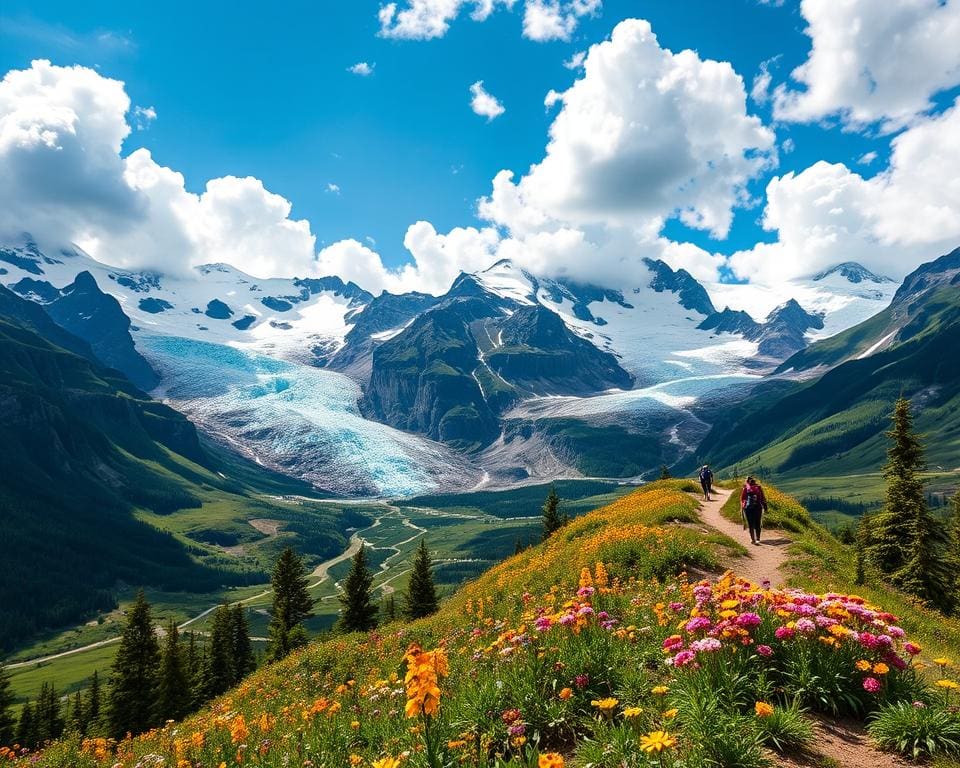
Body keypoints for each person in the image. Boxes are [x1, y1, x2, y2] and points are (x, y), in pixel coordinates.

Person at [740, 476, 768, 545]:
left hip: (748, 508)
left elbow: (742, 499)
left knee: (750, 524)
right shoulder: (758, 487)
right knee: (758, 523)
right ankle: (758, 538)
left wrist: (742, 507)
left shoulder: (745, 488)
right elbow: (763, 498)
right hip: (758, 507)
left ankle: (753, 539)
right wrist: (765, 507)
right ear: (754, 482)